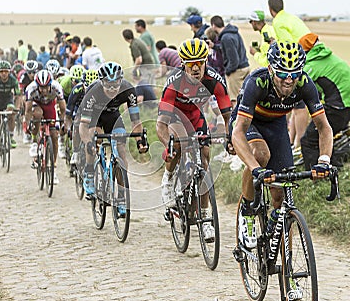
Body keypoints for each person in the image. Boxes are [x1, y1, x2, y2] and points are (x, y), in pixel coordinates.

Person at [231, 41, 333, 250]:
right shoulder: (257, 82)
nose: (289, 79)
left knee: (282, 194)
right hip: (249, 122)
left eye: (294, 74)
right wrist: (256, 169)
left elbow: (324, 127)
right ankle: (248, 212)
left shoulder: (305, 83)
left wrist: (324, 161)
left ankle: (284, 260)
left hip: (276, 124)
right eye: (282, 73)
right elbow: (238, 131)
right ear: (271, 69)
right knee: (260, 154)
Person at [156, 39, 232, 240]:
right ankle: (169, 179)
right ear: (183, 64)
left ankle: (205, 218)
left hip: (196, 117)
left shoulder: (214, 80)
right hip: (175, 116)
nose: (196, 68)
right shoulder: (174, 82)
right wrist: (168, 144)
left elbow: (227, 115)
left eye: (200, 62)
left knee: (205, 160)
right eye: (190, 64)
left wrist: (229, 137)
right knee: (179, 142)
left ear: (206, 60)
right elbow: (160, 124)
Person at [79, 62, 148, 205]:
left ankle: (122, 196)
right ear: (101, 82)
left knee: (121, 149)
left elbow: (136, 121)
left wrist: (139, 141)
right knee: (94, 140)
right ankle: (89, 173)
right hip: (95, 117)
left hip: (112, 116)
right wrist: (88, 143)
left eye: (115, 84)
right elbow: (84, 125)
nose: (112, 89)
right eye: (108, 85)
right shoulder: (93, 92)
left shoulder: (128, 90)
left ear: (120, 81)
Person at [299, 33, 350, 168]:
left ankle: (316, 175)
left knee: (309, 141)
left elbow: (298, 88)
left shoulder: (312, 66)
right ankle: (334, 166)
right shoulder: (329, 57)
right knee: (327, 136)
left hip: (338, 108)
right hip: (345, 106)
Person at [268, 0, 311, 148]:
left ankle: (300, 144)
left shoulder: (278, 22)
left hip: (300, 61)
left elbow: (288, 47)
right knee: (294, 105)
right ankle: (292, 141)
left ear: (270, 9)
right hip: (308, 55)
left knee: (299, 106)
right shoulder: (290, 17)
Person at [25, 70, 66, 185]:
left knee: (54, 135)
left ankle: (53, 168)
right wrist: (28, 124)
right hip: (36, 104)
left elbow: (63, 109)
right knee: (37, 114)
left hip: (50, 105)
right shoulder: (31, 89)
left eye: (46, 87)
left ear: (50, 85)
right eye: (41, 88)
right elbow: (28, 111)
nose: (43, 90)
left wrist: (63, 123)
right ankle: (34, 141)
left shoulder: (56, 87)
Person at [210, 15, 250, 107]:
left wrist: (227, 72)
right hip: (245, 67)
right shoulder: (234, 33)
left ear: (213, 25)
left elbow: (233, 60)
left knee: (236, 101)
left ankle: (236, 121)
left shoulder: (226, 38)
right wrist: (214, 46)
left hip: (236, 72)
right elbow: (230, 49)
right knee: (246, 99)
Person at [66, 70, 98, 166]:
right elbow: (69, 110)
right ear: (83, 84)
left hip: (93, 110)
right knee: (77, 123)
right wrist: (68, 127)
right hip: (79, 108)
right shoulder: (77, 90)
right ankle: (75, 152)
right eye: (87, 87)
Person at [0, 60, 21, 157]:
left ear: (9, 72)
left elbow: (18, 95)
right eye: (2, 71)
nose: (4, 74)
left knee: (11, 114)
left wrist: (17, 108)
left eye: (6, 71)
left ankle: (11, 136)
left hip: (8, 100)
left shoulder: (13, 80)